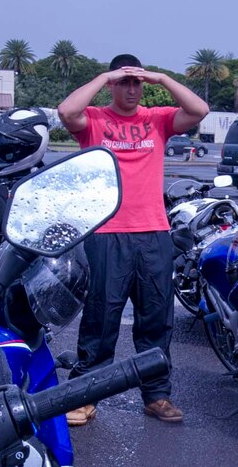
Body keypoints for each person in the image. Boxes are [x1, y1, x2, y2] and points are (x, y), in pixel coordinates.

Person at [57, 54, 209, 425]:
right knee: (101, 318)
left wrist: (160, 77)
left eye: (136, 83)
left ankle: (156, 396)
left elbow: (199, 109)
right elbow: (65, 110)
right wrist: (104, 75)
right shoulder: (93, 121)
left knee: (156, 317)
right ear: (112, 85)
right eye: (123, 82)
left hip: (153, 232)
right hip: (106, 233)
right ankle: (86, 396)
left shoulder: (156, 120)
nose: (130, 89)